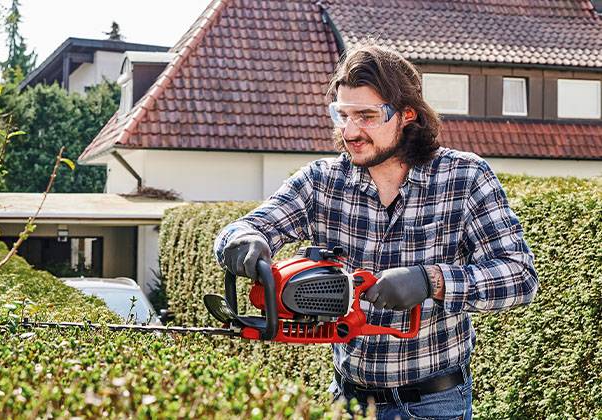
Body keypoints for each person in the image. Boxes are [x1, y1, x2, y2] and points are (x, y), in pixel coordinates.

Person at [213, 43, 539, 420]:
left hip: (434, 402)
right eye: (342, 115)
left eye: (367, 116)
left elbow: (520, 275)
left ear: (407, 115)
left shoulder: (464, 177)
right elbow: (247, 226)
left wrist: (431, 280)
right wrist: (242, 241)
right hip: (347, 400)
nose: (351, 131)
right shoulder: (323, 181)